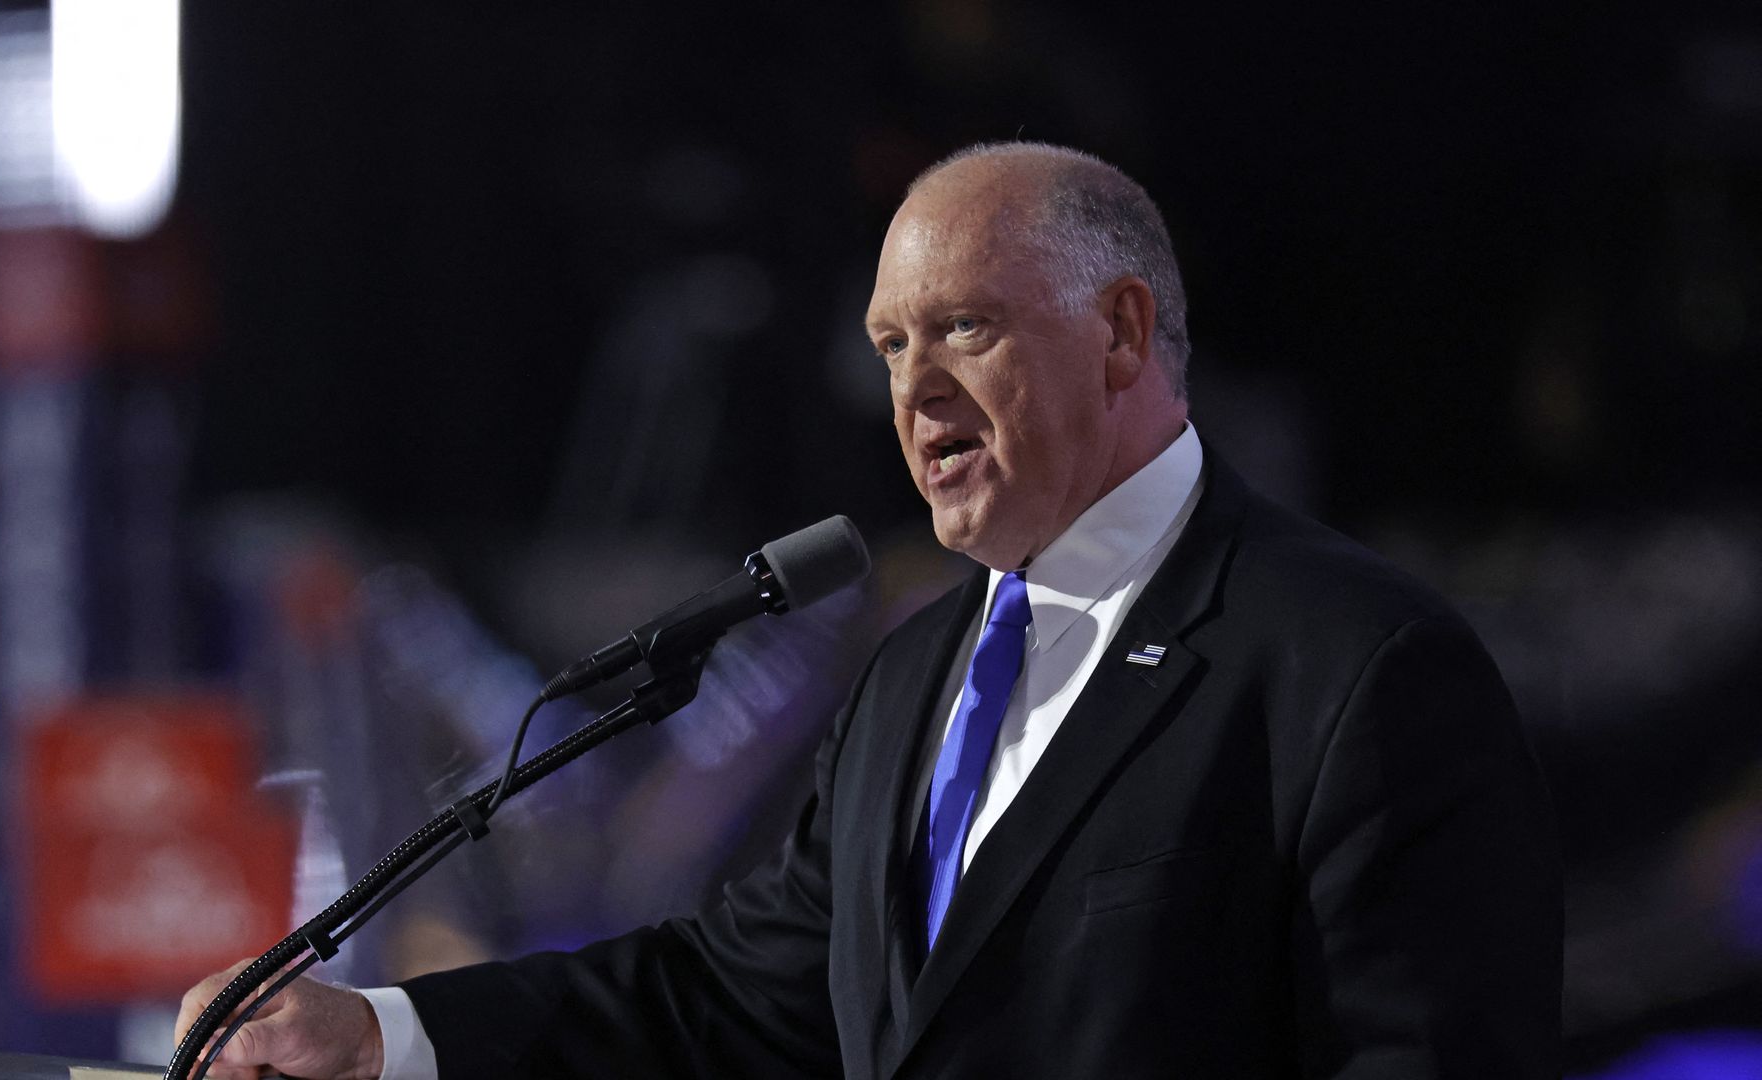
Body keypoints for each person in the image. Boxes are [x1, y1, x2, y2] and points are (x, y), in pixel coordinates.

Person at [177, 141, 1562, 1078]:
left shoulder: (1353, 665)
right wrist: (387, 1034)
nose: (914, 393)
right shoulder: (913, 680)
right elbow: (739, 994)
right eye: (892, 346)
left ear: (1123, 334)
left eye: (965, 328)